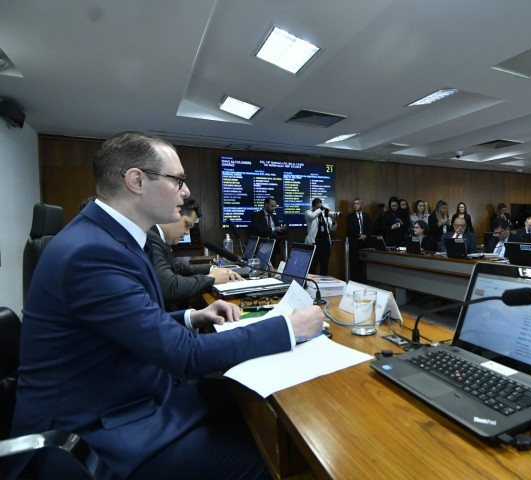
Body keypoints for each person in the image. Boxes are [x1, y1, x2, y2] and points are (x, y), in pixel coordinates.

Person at [11, 131, 324, 480]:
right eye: (177, 180)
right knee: (280, 460)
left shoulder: (110, 238)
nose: (186, 191)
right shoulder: (91, 253)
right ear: (136, 181)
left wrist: (191, 316)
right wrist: (288, 328)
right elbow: (185, 356)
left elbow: (131, 324)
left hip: (134, 397)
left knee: (256, 406)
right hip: (107, 432)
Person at [148, 196, 242, 311]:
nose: (187, 233)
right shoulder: (151, 238)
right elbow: (170, 287)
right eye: (186, 225)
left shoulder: (159, 238)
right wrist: (211, 279)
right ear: (173, 214)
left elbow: (179, 269)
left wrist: (212, 269)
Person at [304, 197, 337, 275]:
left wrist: (334, 221)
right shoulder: (308, 212)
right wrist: (321, 208)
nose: (321, 209)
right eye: (319, 207)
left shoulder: (324, 214)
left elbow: (333, 229)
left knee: (324, 266)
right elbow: (312, 217)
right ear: (313, 206)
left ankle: (324, 285)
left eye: (321, 207)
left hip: (325, 243)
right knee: (312, 267)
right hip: (314, 243)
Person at [347, 197, 373, 281]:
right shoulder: (350, 216)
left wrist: (365, 235)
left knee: (363, 263)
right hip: (355, 242)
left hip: (364, 243)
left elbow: (371, 228)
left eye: (357, 204)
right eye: (354, 204)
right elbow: (350, 229)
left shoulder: (366, 216)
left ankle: (363, 280)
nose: (355, 205)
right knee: (354, 262)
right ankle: (355, 280)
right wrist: (360, 236)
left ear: (361, 205)